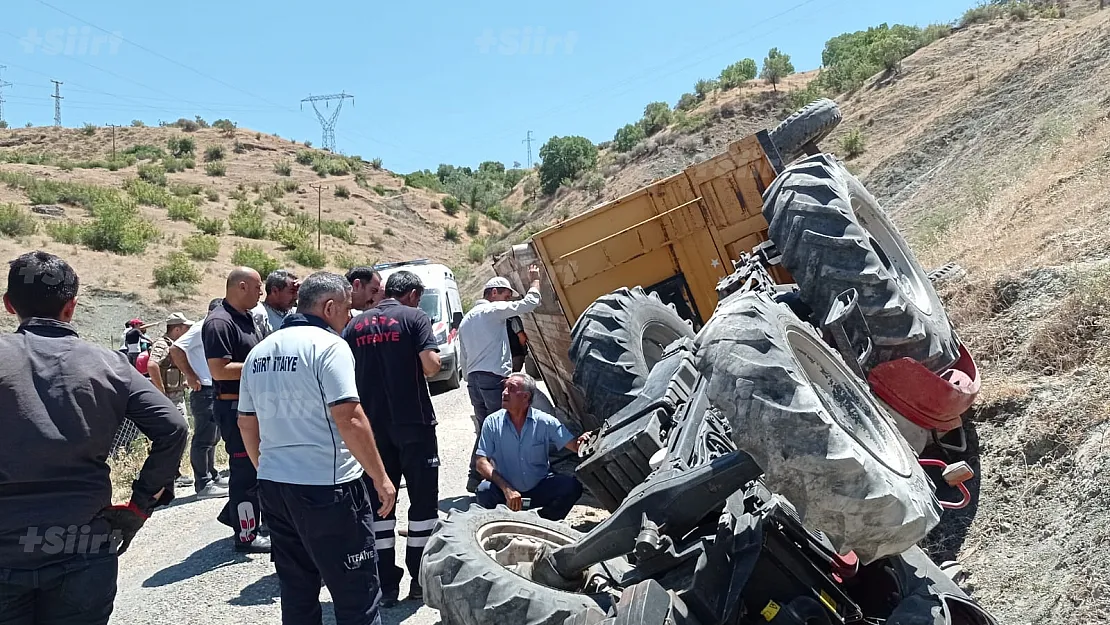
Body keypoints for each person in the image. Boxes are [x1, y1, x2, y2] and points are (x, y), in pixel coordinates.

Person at [0, 251, 187, 625]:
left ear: (9, 306)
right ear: (71, 307)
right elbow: (174, 427)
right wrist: (139, 504)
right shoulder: (108, 364)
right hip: (82, 543)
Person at [238, 271, 396, 625]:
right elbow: (350, 418)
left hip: (276, 488)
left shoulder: (259, 352)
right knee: (356, 594)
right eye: (346, 310)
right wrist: (380, 477)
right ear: (328, 307)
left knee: (297, 590)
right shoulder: (329, 347)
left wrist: (265, 467)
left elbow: (246, 422)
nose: (349, 318)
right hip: (329, 488)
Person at [343, 270, 441, 606]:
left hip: (373, 432)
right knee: (423, 505)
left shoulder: (353, 327)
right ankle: (419, 578)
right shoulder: (415, 317)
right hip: (415, 426)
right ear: (412, 295)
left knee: (380, 505)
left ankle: (386, 584)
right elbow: (430, 366)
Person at [457, 266, 542, 492]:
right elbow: (529, 304)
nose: (507, 301)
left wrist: (469, 378)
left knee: (487, 427)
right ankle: (504, 478)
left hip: (474, 381)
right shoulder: (491, 311)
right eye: (506, 295)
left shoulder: (467, 320)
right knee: (503, 426)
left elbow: (463, 356)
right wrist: (534, 281)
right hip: (492, 378)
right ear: (493, 293)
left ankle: (475, 477)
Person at [203, 267, 269, 552]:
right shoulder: (219, 322)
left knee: (256, 469)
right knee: (244, 472)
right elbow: (219, 370)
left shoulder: (247, 319)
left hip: (251, 406)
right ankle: (246, 535)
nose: (261, 293)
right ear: (241, 286)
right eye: (257, 287)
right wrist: (263, 366)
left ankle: (239, 516)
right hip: (233, 408)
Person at [474, 373, 586, 521]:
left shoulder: (545, 421)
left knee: (572, 487)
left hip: (538, 487)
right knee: (484, 492)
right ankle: (502, 523)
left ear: (526, 397)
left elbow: (574, 446)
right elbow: (481, 462)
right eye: (504, 388)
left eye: (511, 388)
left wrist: (584, 441)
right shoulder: (492, 422)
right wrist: (507, 489)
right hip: (506, 491)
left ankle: (544, 522)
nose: (504, 392)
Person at [170, 298, 231, 499]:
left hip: (212, 387)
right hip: (202, 389)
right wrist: (190, 375)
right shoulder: (201, 327)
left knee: (213, 436)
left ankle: (211, 474)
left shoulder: (211, 327)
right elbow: (176, 349)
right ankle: (203, 483)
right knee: (204, 438)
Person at [147, 313, 194, 415]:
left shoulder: (176, 344)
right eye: (185, 327)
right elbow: (152, 365)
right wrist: (161, 390)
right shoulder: (163, 344)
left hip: (177, 394)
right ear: (177, 329)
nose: (188, 330)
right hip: (170, 397)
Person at [252, 269, 299, 337]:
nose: (296, 297)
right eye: (292, 291)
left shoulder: (296, 313)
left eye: (297, 292)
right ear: (274, 291)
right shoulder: (259, 314)